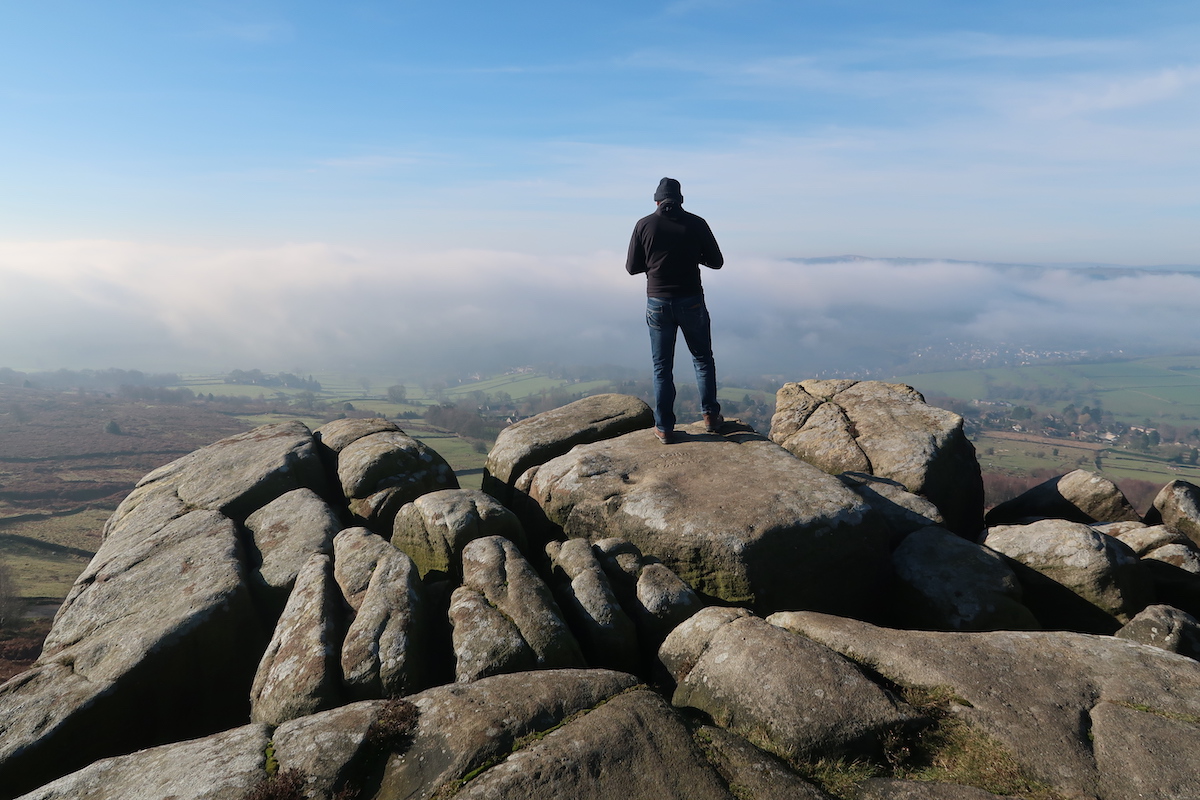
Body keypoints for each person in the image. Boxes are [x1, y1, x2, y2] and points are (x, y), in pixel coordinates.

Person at [626, 177, 725, 444]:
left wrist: (655, 263)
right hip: (691, 300)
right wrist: (694, 257)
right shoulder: (696, 223)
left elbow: (632, 267)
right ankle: (711, 417)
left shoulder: (644, 225)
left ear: (657, 200)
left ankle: (665, 428)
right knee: (702, 359)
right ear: (680, 199)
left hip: (657, 302)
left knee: (662, 368)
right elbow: (717, 262)